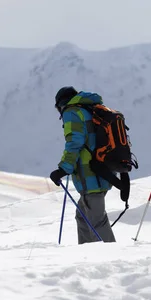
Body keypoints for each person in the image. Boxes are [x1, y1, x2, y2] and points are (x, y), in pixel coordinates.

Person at [49, 86, 117, 244]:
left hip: (90, 174)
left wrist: (63, 169)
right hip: (103, 172)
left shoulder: (71, 112)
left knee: (96, 222)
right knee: (83, 217)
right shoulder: (91, 108)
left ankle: (111, 258)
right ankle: (86, 255)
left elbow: (74, 142)